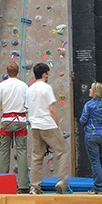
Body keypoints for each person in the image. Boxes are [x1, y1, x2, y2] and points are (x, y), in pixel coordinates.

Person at [26, 62, 68, 194]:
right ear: (45, 74)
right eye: (47, 73)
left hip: (35, 126)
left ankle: (34, 186)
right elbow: (52, 110)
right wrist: (58, 126)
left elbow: (27, 108)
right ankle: (61, 180)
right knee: (62, 151)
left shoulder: (29, 89)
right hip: (48, 125)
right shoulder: (46, 88)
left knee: (36, 157)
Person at [0, 61, 29, 193]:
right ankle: (24, 186)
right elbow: (28, 105)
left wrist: (5, 109)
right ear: (17, 72)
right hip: (21, 121)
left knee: (3, 152)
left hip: (6, 121)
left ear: (6, 72)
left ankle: (2, 184)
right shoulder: (24, 86)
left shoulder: (1, 85)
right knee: (22, 152)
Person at [80, 82, 102, 194]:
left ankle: (99, 188)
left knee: (95, 162)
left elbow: (82, 120)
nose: (89, 90)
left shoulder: (88, 105)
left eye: (91, 89)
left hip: (91, 135)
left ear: (96, 92)